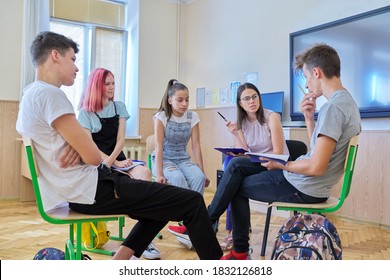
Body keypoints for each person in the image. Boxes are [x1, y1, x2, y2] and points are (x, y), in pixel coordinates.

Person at [16, 31, 223, 260]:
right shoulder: (50, 95)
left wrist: (81, 145)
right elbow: (94, 157)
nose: (76, 68)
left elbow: (82, 149)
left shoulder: (30, 94)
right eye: (72, 59)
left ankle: (120, 261)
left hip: (81, 188)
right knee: (192, 200)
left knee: (164, 201)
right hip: (91, 190)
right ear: (55, 55)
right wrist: (83, 146)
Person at [171, 43, 361, 260]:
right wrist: (309, 119)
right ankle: (218, 233)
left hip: (306, 185)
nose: (307, 83)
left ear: (317, 72)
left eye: (307, 77)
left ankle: (225, 241)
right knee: (236, 167)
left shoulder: (333, 108)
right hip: (309, 183)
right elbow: (318, 153)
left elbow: (316, 166)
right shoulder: (346, 103)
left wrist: (283, 164)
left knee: (236, 185)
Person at [169, 82, 289, 251]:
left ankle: (204, 220)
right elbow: (246, 153)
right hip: (258, 164)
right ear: (240, 103)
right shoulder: (243, 123)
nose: (252, 101)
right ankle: (229, 237)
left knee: (235, 165)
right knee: (234, 168)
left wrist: (247, 158)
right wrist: (236, 134)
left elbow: (277, 154)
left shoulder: (271, 117)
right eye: (246, 99)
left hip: (274, 165)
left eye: (254, 97)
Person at [77, 67, 159, 260]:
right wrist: (109, 163)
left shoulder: (119, 107)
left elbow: (121, 139)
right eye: (107, 84)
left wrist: (115, 162)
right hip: (97, 161)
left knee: (145, 174)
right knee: (122, 186)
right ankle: (139, 240)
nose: (112, 87)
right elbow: (89, 146)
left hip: (118, 157)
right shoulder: (85, 113)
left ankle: (144, 237)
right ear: (97, 86)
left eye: (113, 83)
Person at [152, 79, 210, 249]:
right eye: (180, 100)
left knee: (198, 178)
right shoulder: (161, 117)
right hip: (164, 158)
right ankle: (186, 224)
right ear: (170, 100)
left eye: (187, 100)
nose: (184, 104)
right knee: (178, 179)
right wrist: (160, 173)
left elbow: (196, 145)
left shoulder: (193, 117)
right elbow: (158, 146)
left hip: (183, 158)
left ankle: (190, 222)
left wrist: (203, 171)